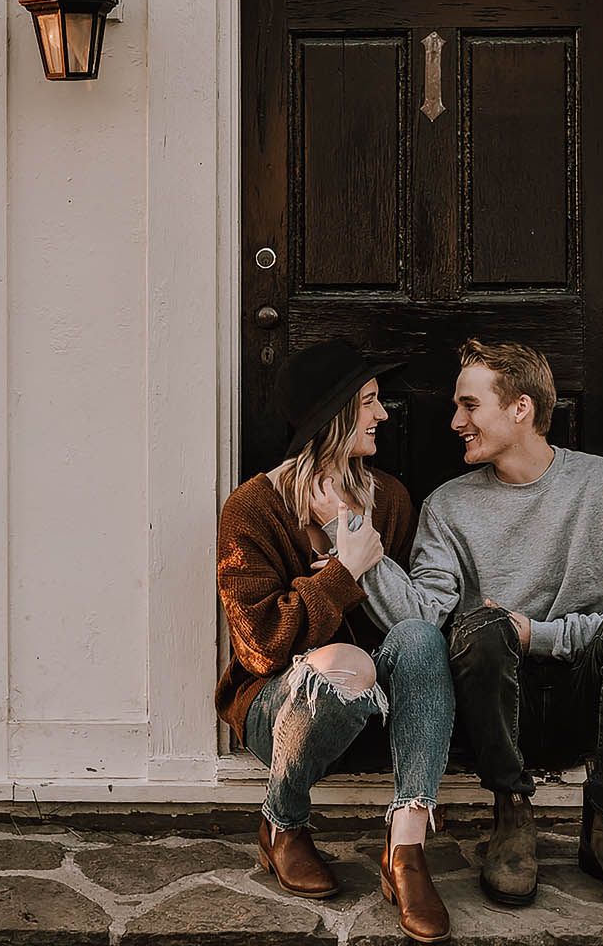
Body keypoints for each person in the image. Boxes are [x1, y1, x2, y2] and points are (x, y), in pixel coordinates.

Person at [357, 338, 603, 914]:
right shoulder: (448, 506)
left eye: (469, 406)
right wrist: (364, 557)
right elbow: (426, 617)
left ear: (520, 409)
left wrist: (542, 635)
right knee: (481, 627)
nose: (456, 422)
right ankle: (512, 817)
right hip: (496, 712)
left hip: (587, 700)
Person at [214, 338, 454, 943]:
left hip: (373, 704)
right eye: (370, 401)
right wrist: (340, 573)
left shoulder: (391, 499)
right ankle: (284, 822)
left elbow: (399, 629)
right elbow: (261, 647)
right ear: (335, 414)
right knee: (344, 663)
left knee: (421, 637)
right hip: (278, 709)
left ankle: (406, 851)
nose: (382, 414)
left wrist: (351, 538)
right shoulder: (252, 508)